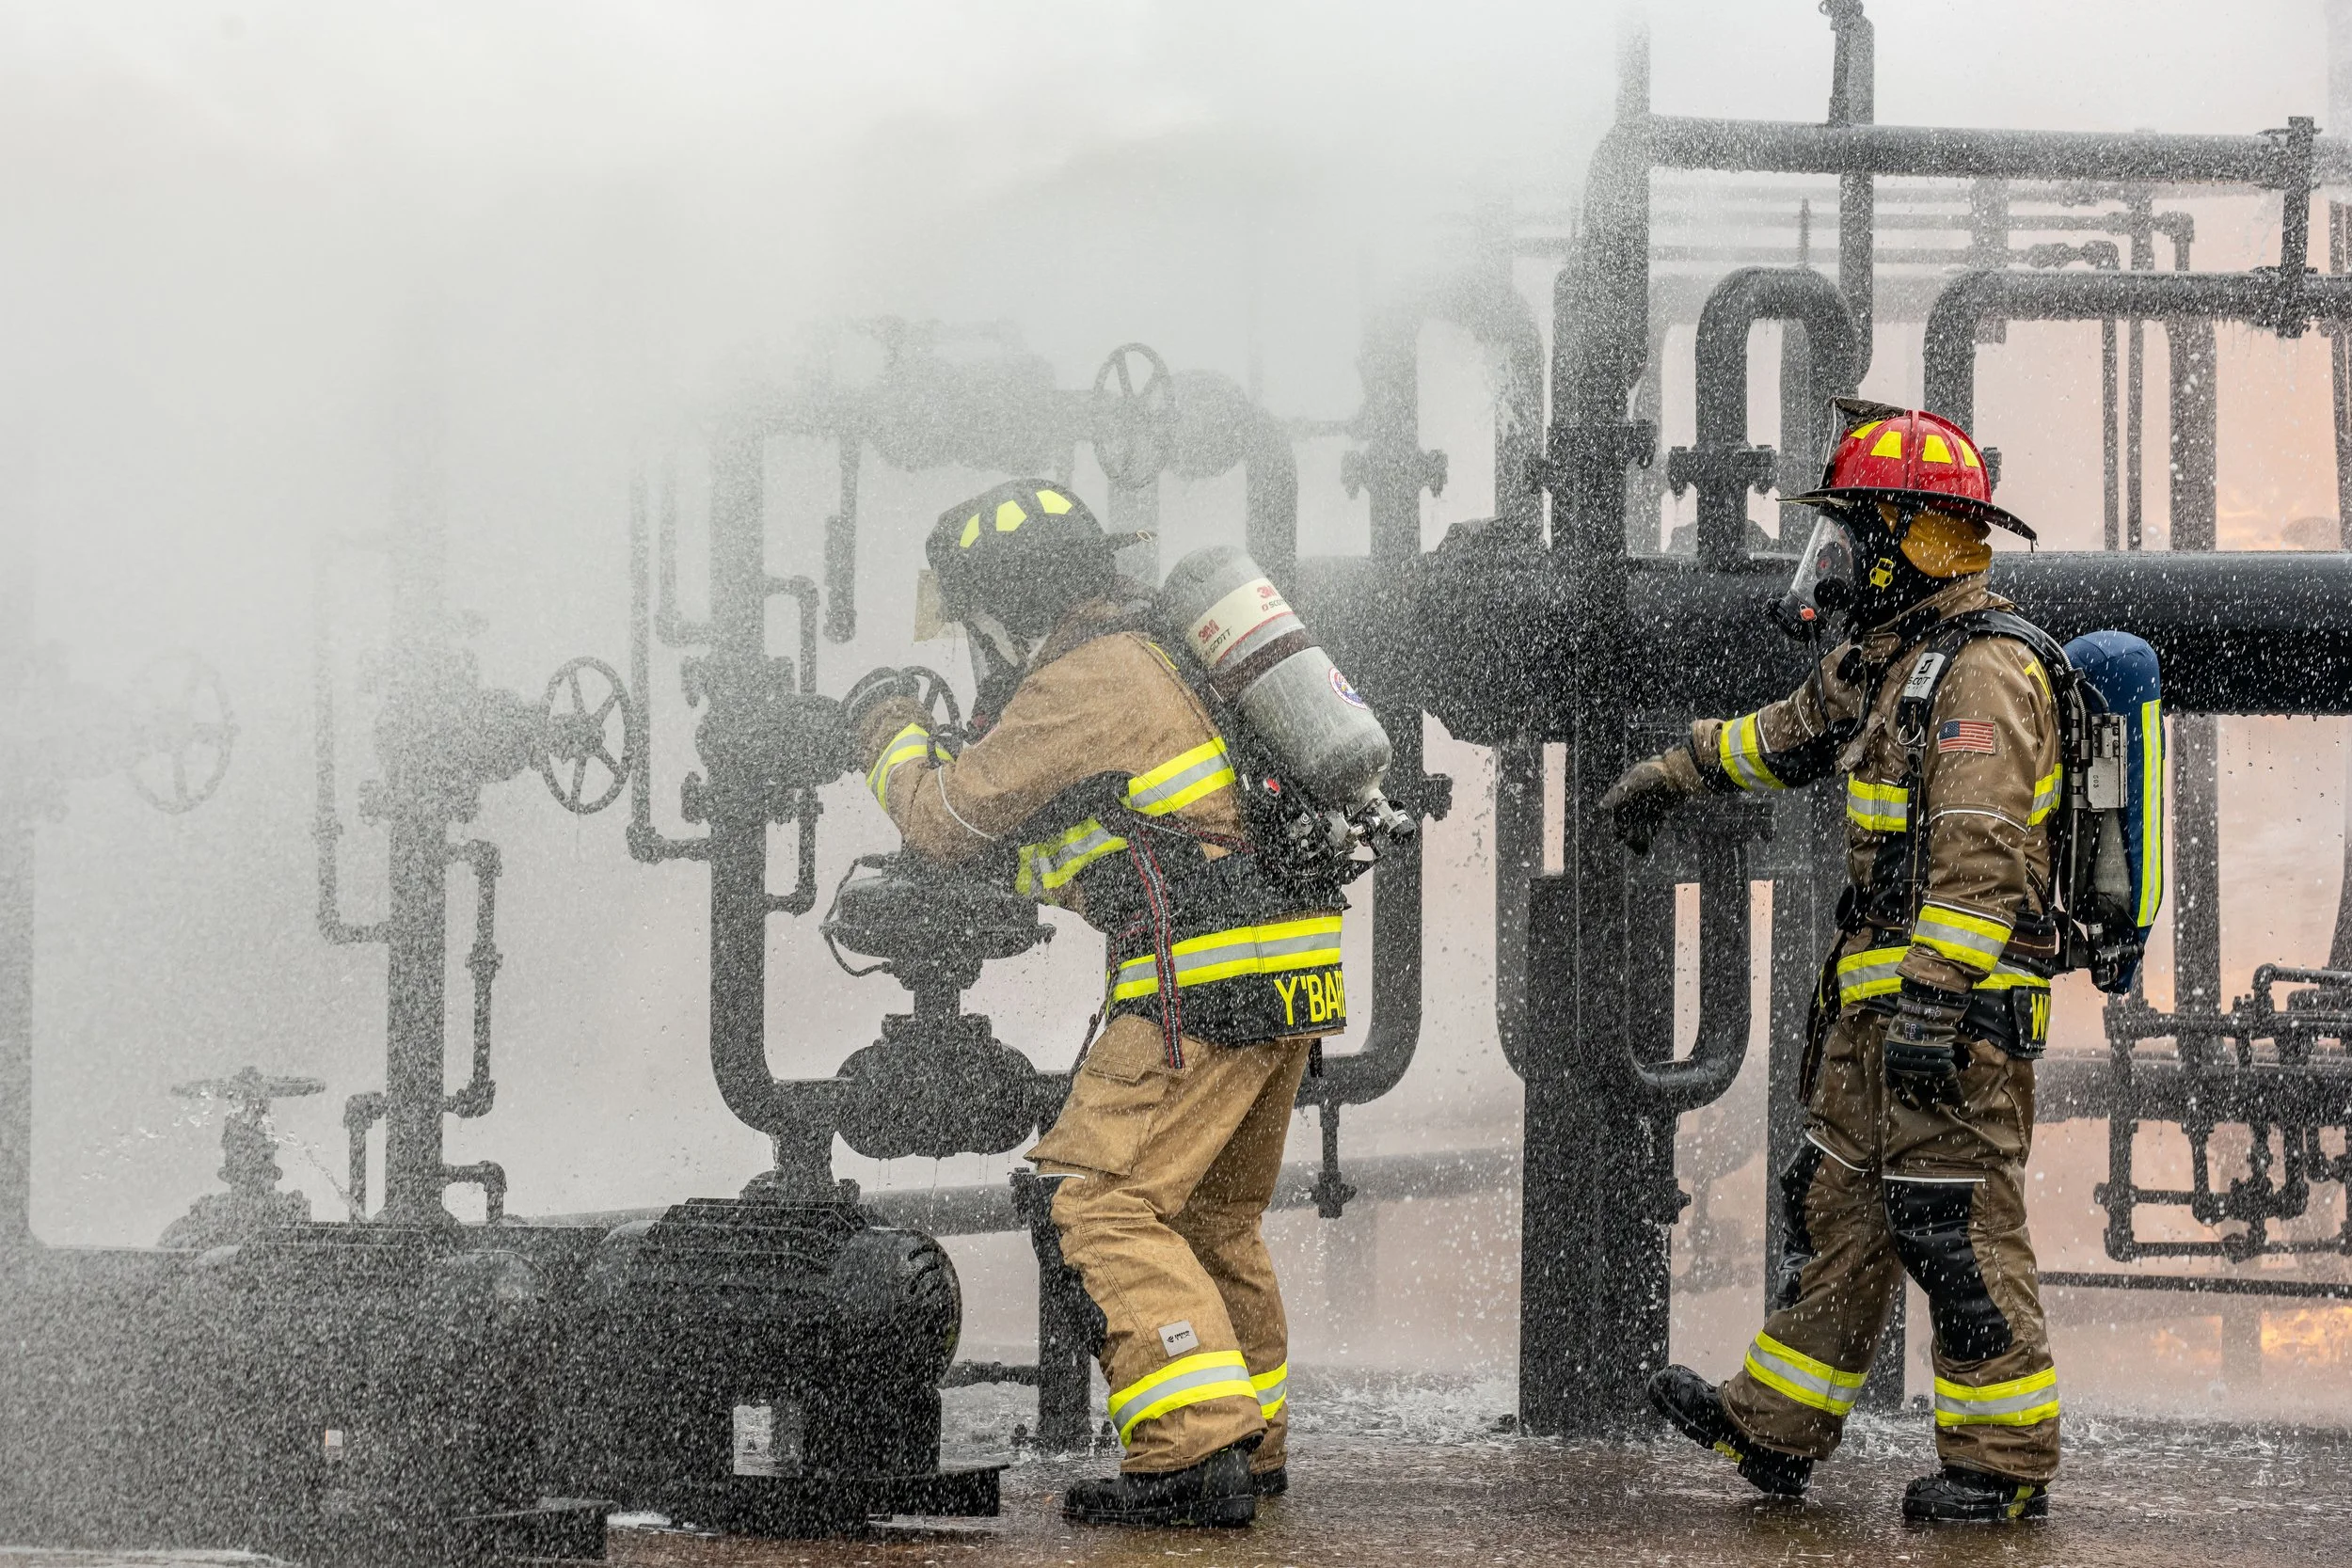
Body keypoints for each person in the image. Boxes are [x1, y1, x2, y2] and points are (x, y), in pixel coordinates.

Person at [845, 479, 1343, 1528]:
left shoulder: (1079, 676)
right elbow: (1099, 829)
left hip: (1197, 979)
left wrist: (885, 731)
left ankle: (1190, 1446)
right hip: (1289, 963)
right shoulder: (1167, 652)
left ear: (1006, 604)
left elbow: (942, 818)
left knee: (1096, 1196)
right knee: (1211, 1217)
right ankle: (1250, 1443)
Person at [1602, 403, 2062, 1524]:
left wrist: (1937, 994)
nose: (1840, 560)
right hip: (1878, 1010)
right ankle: (1775, 1425)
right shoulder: (1890, 660)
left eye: (1857, 535)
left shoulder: (1984, 672)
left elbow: (1981, 848)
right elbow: (1784, 734)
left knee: (1952, 1222)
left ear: (1911, 536)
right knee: (1844, 1209)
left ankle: (2002, 1464)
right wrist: (1674, 770)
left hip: (1952, 1018)